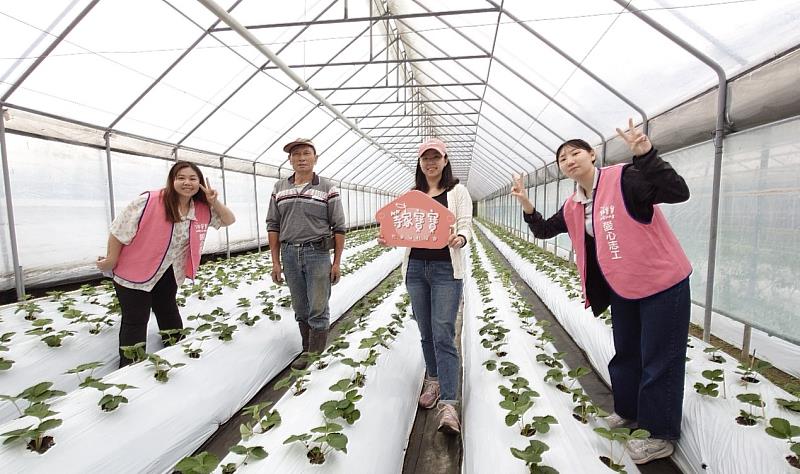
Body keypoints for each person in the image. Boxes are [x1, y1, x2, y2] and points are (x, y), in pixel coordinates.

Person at [510, 119, 692, 464]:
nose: (569, 160)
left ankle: (660, 434)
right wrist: (527, 206)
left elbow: (677, 192)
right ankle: (627, 411)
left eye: (575, 152)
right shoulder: (574, 204)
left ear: (592, 155)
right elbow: (545, 231)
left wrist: (646, 155)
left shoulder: (626, 178)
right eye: (562, 158)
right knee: (626, 353)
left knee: (660, 358)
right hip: (623, 286)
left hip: (662, 283)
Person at [96, 161, 236, 367]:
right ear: (171, 180)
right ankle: (130, 366)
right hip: (136, 269)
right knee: (135, 318)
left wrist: (214, 201)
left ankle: (177, 353)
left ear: (200, 183)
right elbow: (119, 230)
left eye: (192, 178)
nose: (187, 182)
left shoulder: (201, 208)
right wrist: (111, 260)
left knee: (167, 309)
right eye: (181, 178)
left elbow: (228, 220)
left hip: (169, 270)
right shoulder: (150, 200)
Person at [379, 137, 472, 435]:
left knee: (443, 332)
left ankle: (448, 404)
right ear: (420, 164)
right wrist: (387, 237)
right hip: (416, 268)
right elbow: (400, 227)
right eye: (425, 159)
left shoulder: (458, 192)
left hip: (446, 268)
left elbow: (465, 225)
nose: (430, 163)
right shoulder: (413, 195)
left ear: (445, 161)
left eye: (436, 158)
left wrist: (460, 239)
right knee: (425, 332)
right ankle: (433, 379)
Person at [266, 138, 346, 370]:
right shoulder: (280, 188)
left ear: (315, 158)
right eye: (296, 154)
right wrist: (276, 262)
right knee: (300, 306)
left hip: (317, 252)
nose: (301, 158)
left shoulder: (327, 187)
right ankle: (307, 349)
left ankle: (314, 356)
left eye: (306, 154)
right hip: (290, 253)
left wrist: (336, 262)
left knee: (318, 306)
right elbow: (273, 224)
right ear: (290, 160)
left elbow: (339, 227)